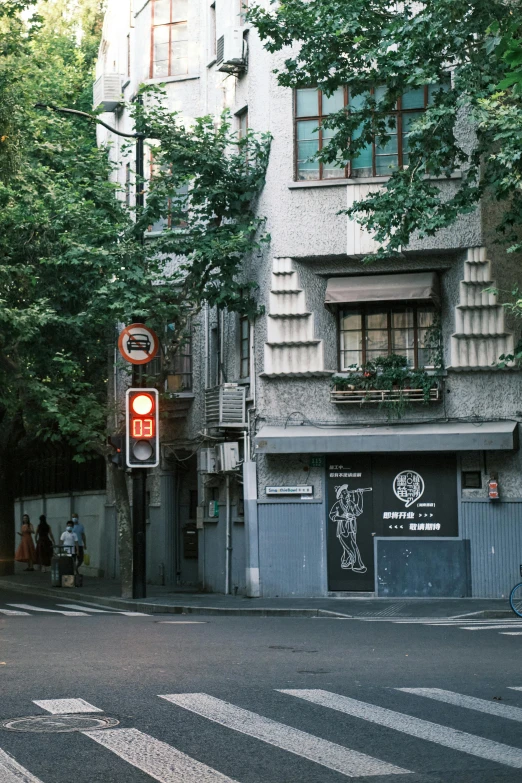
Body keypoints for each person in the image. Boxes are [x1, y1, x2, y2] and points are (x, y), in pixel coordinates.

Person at [329, 484, 372, 573]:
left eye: (348, 492)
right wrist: (344, 517)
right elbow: (332, 516)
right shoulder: (337, 504)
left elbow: (359, 511)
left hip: (352, 528)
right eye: (345, 493)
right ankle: (357, 565)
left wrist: (360, 496)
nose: (348, 494)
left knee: (348, 547)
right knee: (352, 546)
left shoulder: (350, 503)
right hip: (343, 529)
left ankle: (345, 562)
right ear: (341, 495)